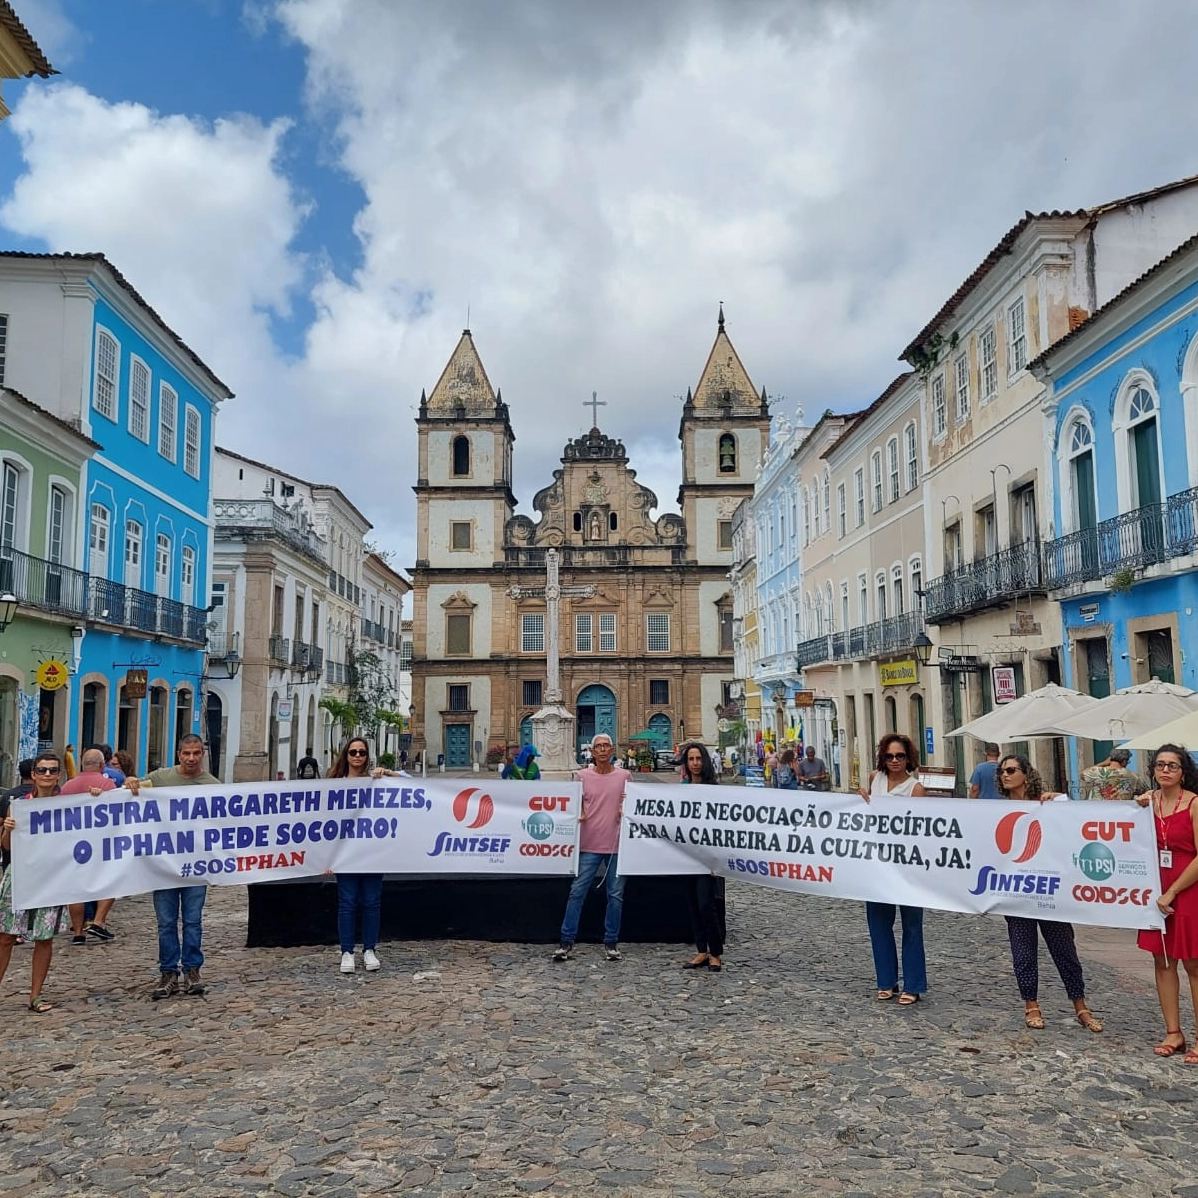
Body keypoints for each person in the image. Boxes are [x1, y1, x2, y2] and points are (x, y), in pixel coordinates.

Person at [996, 753, 1103, 1034]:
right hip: (1016, 891)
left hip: (1049, 891)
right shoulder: (994, 810)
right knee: (1023, 951)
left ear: (1025, 773)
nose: (1005, 775)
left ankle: (1080, 1003)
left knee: (1064, 948)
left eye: (1010, 770)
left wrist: (1059, 800)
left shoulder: (1048, 803)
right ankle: (1031, 1004)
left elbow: (1072, 823)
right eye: (1002, 771)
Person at [0, 752, 103, 1012]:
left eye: (53, 770)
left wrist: (95, 797)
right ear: (33, 774)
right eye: (43, 770)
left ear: (60, 775)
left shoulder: (67, 806)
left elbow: (90, 824)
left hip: (50, 879)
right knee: (5, 937)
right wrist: (7, 829)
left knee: (44, 939)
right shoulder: (19, 804)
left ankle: (36, 995)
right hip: (21, 874)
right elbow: (7, 847)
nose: (47, 775)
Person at [126, 734, 218, 999]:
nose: (191, 758)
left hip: (195, 866)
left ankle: (192, 970)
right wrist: (129, 781)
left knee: (192, 921)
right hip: (164, 867)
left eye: (196, 753)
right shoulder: (161, 778)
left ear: (203, 754)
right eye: (186, 753)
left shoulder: (212, 786)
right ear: (178, 754)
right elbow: (131, 792)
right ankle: (168, 972)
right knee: (166, 922)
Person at [1134, 744, 1198, 1061]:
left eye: (1172, 765)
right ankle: (1174, 1032)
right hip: (1154, 889)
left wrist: (1172, 891)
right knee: (1162, 960)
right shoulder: (1147, 803)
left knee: (1194, 964)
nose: (1165, 770)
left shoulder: (1194, 804)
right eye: (1160, 764)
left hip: (1187, 888)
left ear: (1183, 771)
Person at [859, 735, 928, 1006]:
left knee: (912, 925)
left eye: (900, 756)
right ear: (883, 758)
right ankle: (885, 980)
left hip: (906, 866)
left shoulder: (916, 789)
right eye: (890, 756)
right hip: (876, 865)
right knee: (878, 924)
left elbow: (921, 829)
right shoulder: (875, 778)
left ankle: (913, 984)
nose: (895, 761)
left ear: (908, 758)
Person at [553, 733, 631, 963]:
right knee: (577, 892)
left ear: (613, 749)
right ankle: (566, 941)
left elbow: (634, 803)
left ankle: (611, 942)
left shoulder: (625, 776)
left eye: (607, 745)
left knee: (615, 895)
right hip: (590, 844)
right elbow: (572, 805)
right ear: (593, 751)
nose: (603, 750)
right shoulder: (581, 777)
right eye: (599, 746)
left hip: (616, 844)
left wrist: (624, 810)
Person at [328, 737, 398, 974]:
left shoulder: (376, 781)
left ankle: (370, 950)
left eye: (362, 753)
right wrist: (326, 857)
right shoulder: (333, 784)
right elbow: (322, 822)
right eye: (353, 752)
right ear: (345, 755)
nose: (358, 756)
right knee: (347, 903)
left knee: (371, 902)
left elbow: (412, 786)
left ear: (368, 756)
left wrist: (387, 772)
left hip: (371, 852)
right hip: (345, 853)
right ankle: (347, 952)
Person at [60, 748, 118, 945]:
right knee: (109, 882)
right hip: (101, 842)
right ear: (102, 765)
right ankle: (98, 921)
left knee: (76, 889)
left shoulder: (67, 786)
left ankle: (78, 932)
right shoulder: (107, 783)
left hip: (74, 843)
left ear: (82, 764)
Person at [679, 742, 725, 972]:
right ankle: (701, 950)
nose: (695, 763)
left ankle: (715, 952)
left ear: (704, 761)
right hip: (686, 855)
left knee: (706, 904)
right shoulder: (682, 788)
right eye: (691, 759)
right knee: (691, 905)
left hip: (707, 858)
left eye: (698, 759)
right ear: (686, 763)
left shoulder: (714, 789)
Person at [1081, 747, 1145, 802]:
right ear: (1124, 760)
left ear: (1110, 758)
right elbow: (1144, 791)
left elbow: (1082, 775)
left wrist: (1104, 763)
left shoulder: (1097, 772)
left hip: (1098, 810)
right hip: (1121, 812)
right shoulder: (1133, 776)